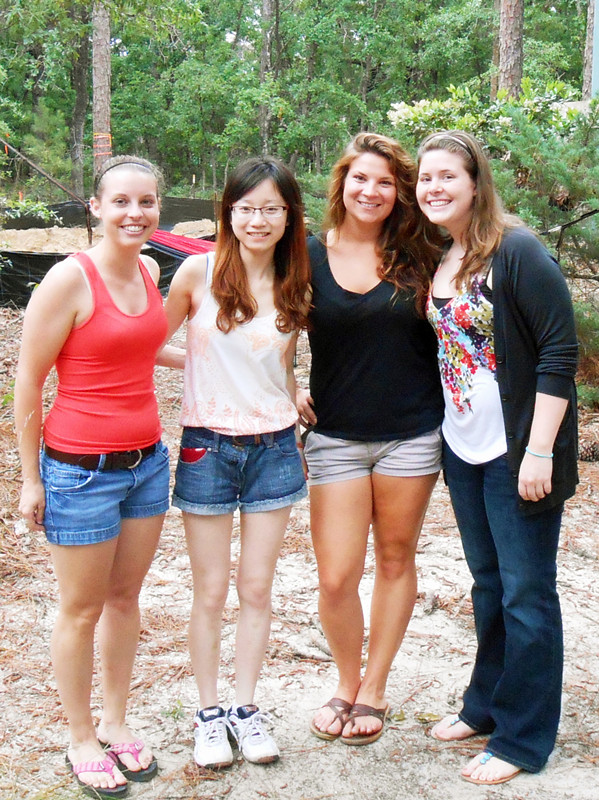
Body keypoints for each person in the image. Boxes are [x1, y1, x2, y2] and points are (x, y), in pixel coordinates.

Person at [416, 130, 578, 785]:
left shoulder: (515, 250)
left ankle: (523, 738)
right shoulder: (443, 253)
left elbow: (558, 353)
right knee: (488, 585)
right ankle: (484, 705)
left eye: (447, 176)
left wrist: (538, 451)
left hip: (518, 452)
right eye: (425, 177)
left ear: (475, 182)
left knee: (526, 594)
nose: (434, 187)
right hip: (463, 448)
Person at [14, 156, 169, 798]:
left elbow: (146, 346)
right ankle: (80, 736)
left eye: (147, 201)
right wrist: (30, 480)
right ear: (96, 207)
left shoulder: (151, 269)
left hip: (148, 464)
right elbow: (29, 381)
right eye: (121, 201)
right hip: (80, 472)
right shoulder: (67, 280)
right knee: (80, 609)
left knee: (125, 599)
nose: (135, 213)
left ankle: (115, 720)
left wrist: (231, 354)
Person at [160, 156, 310, 769]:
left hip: (275, 447)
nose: (258, 220)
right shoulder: (196, 272)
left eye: (271, 208)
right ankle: (208, 713)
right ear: (228, 212)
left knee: (256, 587)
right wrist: (197, 364)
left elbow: (284, 362)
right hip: (208, 448)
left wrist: (296, 393)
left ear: (288, 216)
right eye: (246, 208)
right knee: (211, 589)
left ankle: (246, 710)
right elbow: (149, 343)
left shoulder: (298, 281)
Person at [297, 132, 444, 745]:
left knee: (394, 557)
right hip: (334, 434)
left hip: (411, 433)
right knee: (336, 575)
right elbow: (266, 324)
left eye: (385, 181)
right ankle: (345, 678)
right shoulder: (305, 253)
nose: (371, 190)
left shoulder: (425, 253)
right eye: (360, 177)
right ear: (342, 183)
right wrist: (284, 385)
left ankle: (374, 688)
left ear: (399, 192)